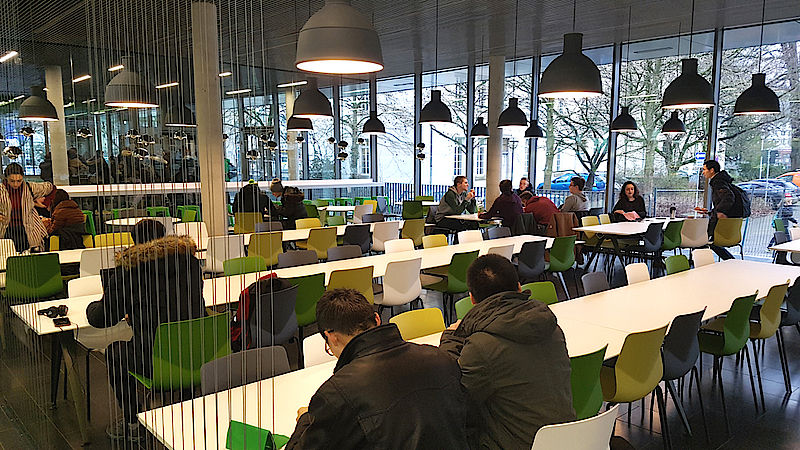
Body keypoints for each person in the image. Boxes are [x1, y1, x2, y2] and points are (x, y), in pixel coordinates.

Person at [286, 288, 469, 449]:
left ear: (331, 337)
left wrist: (305, 420)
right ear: (377, 319)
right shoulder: (439, 358)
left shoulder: (336, 394)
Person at [86, 219, 205, 442]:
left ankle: (133, 422)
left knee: (115, 353)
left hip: (155, 362)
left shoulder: (130, 269)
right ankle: (186, 405)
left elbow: (103, 318)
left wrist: (92, 306)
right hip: (197, 355)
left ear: (135, 241)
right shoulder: (189, 262)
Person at [440, 254, 575, 449]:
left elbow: (452, 398)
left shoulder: (482, 346)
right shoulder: (552, 328)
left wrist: (451, 339)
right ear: (519, 287)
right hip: (568, 439)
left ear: (472, 299)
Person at [695, 160, 745, 260]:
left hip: (719, 228)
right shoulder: (724, 181)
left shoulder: (718, 182)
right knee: (705, 241)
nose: (703, 172)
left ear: (712, 170)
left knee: (700, 240)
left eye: (704, 169)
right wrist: (709, 212)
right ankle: (730, 261)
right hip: (731, 227)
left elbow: (729, 197)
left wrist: (720, 212)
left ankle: (701, 262)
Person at [0, 163, 55, 252]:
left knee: (30, 257)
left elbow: (51, 188)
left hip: (29, 230)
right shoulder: (1, 190)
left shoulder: (30, 187)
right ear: (6, 178)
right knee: (8, 255)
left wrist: (45, 203)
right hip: (6, 230)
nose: (16, 184)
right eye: (12, 181)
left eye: (19, 180)